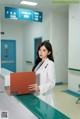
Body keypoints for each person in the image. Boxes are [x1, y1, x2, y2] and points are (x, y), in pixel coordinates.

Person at [28, 41, 56, 107]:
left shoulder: (50, 64)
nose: (40, 52)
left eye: (44, 50)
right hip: (36, 93)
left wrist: (39, 88)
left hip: (45, 96)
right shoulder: (39, 63)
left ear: (49, 52)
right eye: (39, 50)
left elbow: (52, 82)